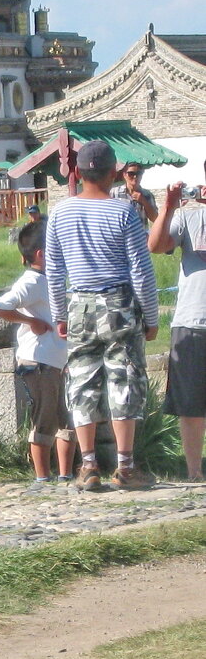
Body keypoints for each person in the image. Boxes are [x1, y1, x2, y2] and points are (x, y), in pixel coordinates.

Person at [46, 140, 159, 491]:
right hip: (119, 304)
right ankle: (125, 465)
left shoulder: (60, 213)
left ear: (77, 172)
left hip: (79, 303)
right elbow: (141, 270)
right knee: (124, 379)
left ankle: (89, 464)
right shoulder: (123, 212)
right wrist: (151, 316)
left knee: (82, 381)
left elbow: (54, 270)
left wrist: (59, 314)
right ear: (113, 173)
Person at [0, 220, 76, 482]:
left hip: (58, 358)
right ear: (41, 254)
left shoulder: (51, 280)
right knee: (44, 418)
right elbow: (1, 306)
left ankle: (65, 473)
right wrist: (30, 322)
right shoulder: (30, 282)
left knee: (67, 419)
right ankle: (43, 476)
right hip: (38, 359)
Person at [148, 170, 206, 481]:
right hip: (192, 320)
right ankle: (195, 472)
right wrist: (169, 206)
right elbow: (156, 246)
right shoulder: (188, 216)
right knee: (191, 403)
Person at [110, 162, 158, 227]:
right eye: (131, 173)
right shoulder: (113, 193)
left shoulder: (148, 195)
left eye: (139, 173)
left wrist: (144, 201)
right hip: (121, 234)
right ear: (124, 175)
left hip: (140, 235)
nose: (135, 176)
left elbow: (155, 219)